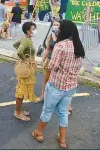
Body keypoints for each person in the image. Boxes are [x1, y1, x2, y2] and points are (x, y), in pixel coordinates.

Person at [32, 20, 85, 149]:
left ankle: (38, 132)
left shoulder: (60, 46)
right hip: (71, 86)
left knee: (47, 110)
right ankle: (62, 140)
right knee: (63, 112)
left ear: (64, 31)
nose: (57, 29)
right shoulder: (78, 45)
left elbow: (52, 66)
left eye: (59, 28)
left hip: (56, 85)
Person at [13, 21, 37, 122]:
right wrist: (25, 59)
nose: (34, 30)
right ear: (28, 31)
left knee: (22, 90)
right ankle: (18, 113)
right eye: (33, 29)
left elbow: (15, 45)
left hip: (28, 69)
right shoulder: (26, 41)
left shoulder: (26, 40)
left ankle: (19, 111)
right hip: (25, 69)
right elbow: (19, 51)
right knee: (21, 91)